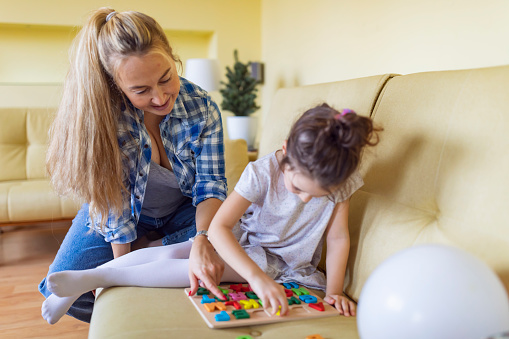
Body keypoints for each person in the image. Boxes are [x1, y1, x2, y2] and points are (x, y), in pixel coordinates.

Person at [41, 103, 380, 324]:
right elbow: (219, 227)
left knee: (184, 265)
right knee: (170, 251)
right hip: (245, 244)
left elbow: (337, 237)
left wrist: (334, 290)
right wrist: (256, 279)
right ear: (285, 151)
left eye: (317, 195)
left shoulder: (341, 180)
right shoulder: (262, 173)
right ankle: (89, 278)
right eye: (298, 188)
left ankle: (94, 278)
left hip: (281, 262)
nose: (307, 199)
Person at [39, 8, 227, 323]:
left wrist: (204, 238)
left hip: (182, 214)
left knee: (233, 237)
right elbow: (115, 206)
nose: (161, 96)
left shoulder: (202, 107)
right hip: (120, 217)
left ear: (171, 55)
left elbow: (210, 186)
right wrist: (121, 269)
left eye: (166, 77)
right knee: (59, 284)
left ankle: (151, 252)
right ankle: (149, 260)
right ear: (117, 86)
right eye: (141, 91)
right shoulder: (106, 120)